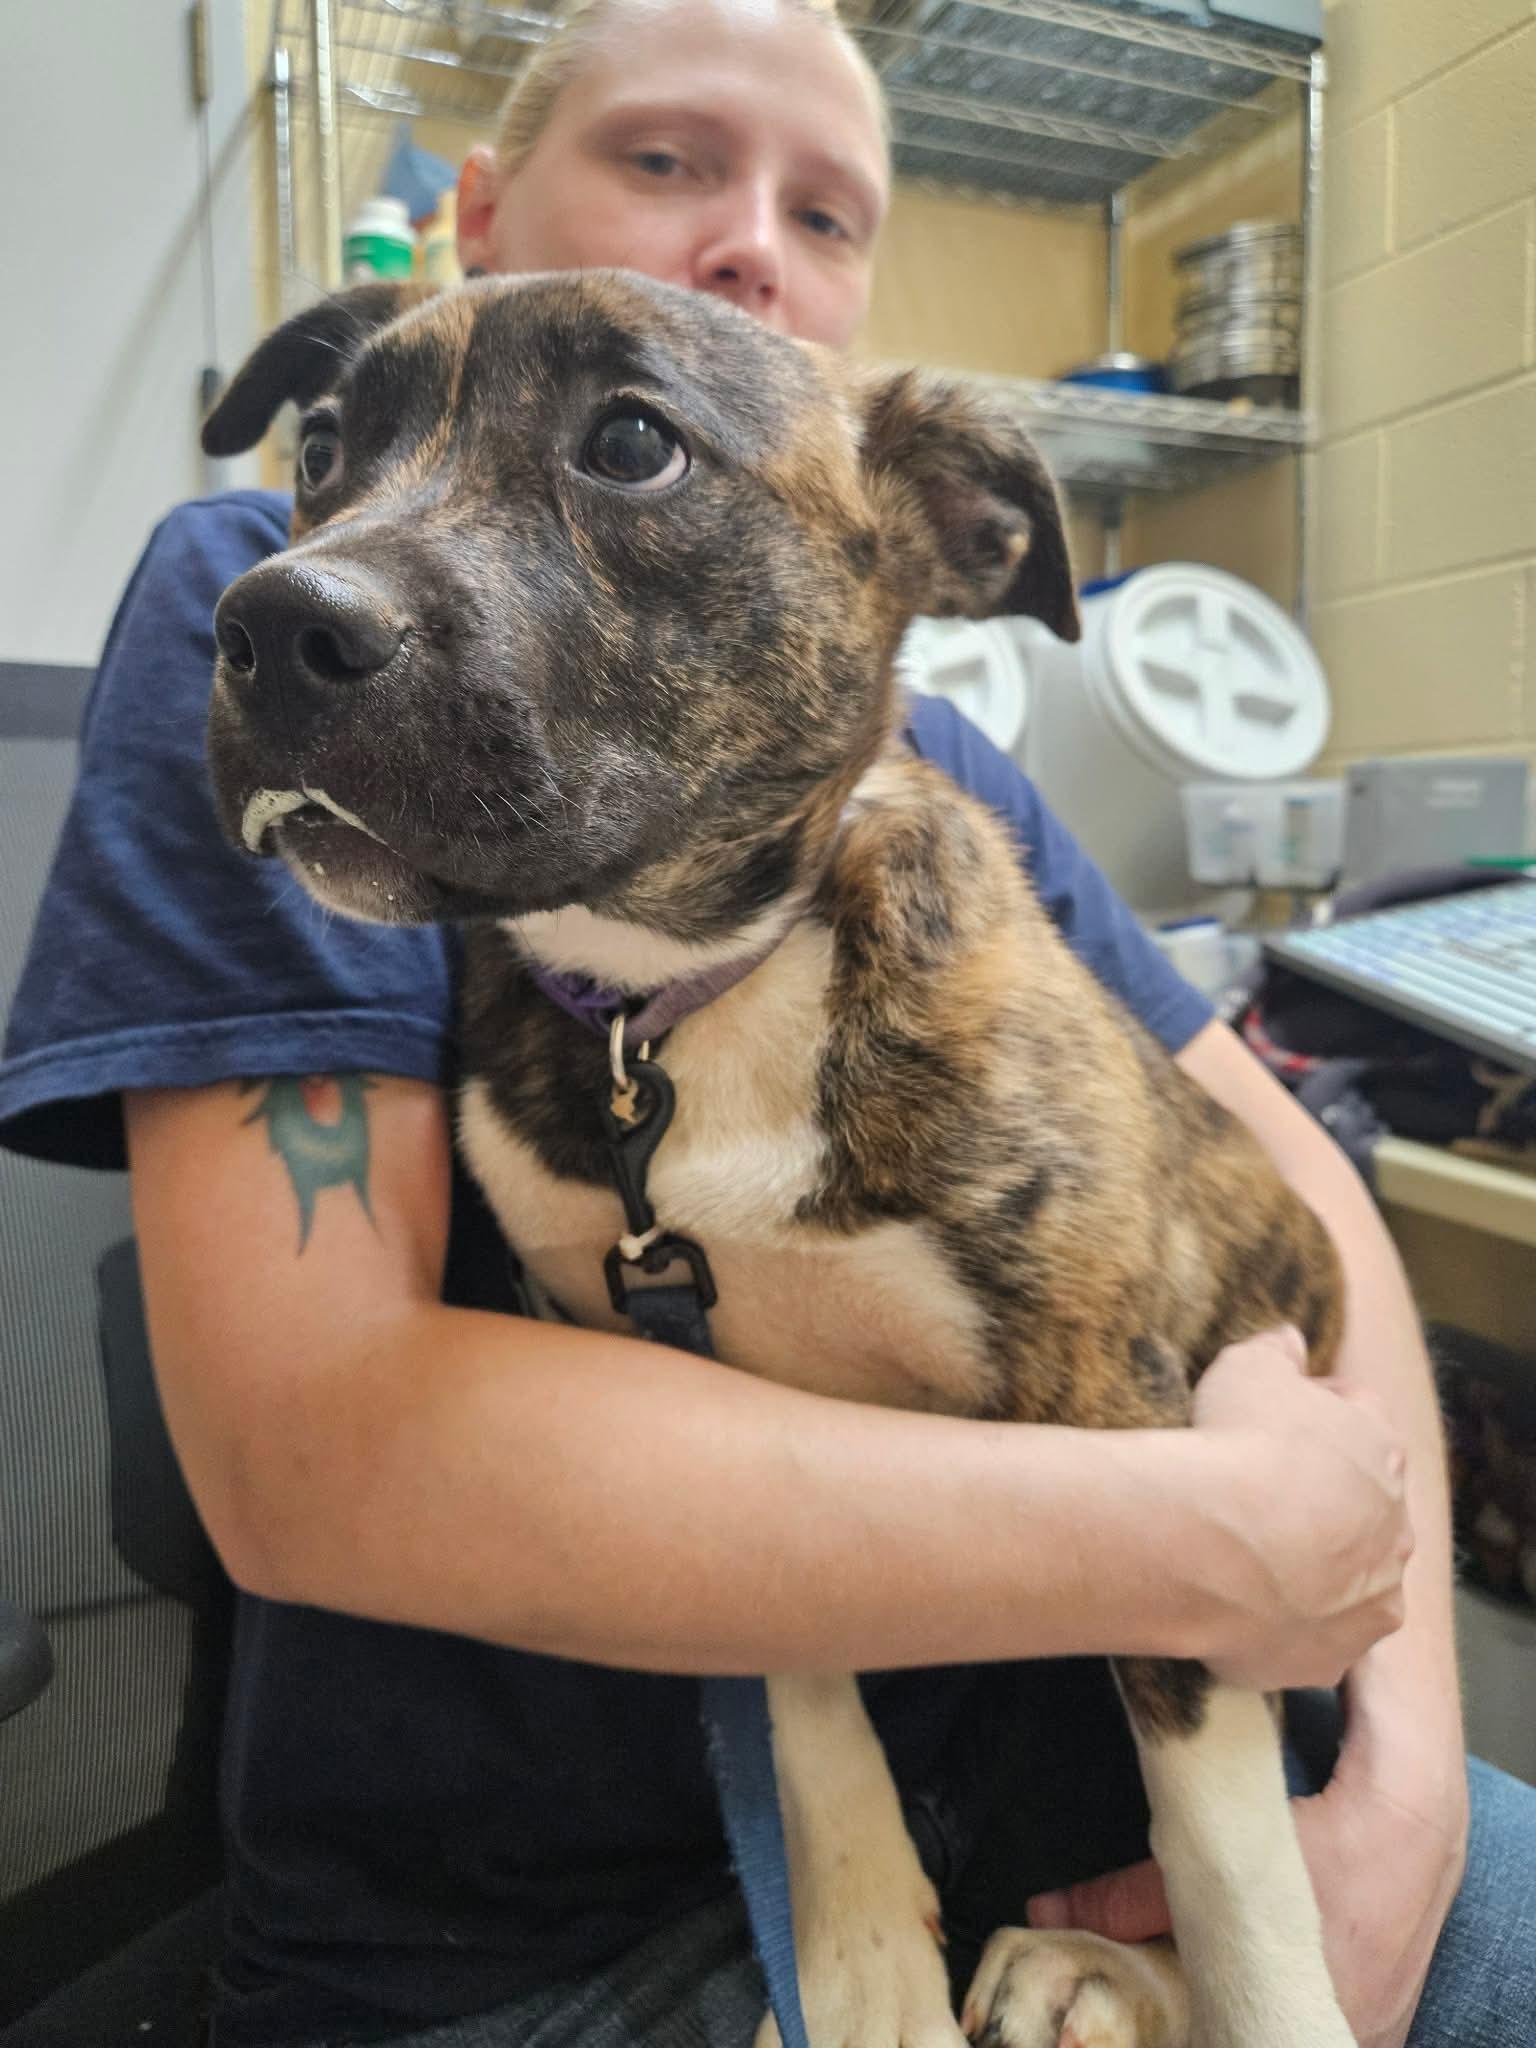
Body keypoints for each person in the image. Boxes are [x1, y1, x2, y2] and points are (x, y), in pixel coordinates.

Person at [1, 3, 1531, 2045]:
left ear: (900, 507)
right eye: (660, 160)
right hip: (540, 1929)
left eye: (824, 211)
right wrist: (1195, 1535)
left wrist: (1406, 1796)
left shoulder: (925, 766)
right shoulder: (268, 596)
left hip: (1085, 1787)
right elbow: (309, 1448)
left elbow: (1305, 1186)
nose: (742, 243)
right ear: (474, 213)